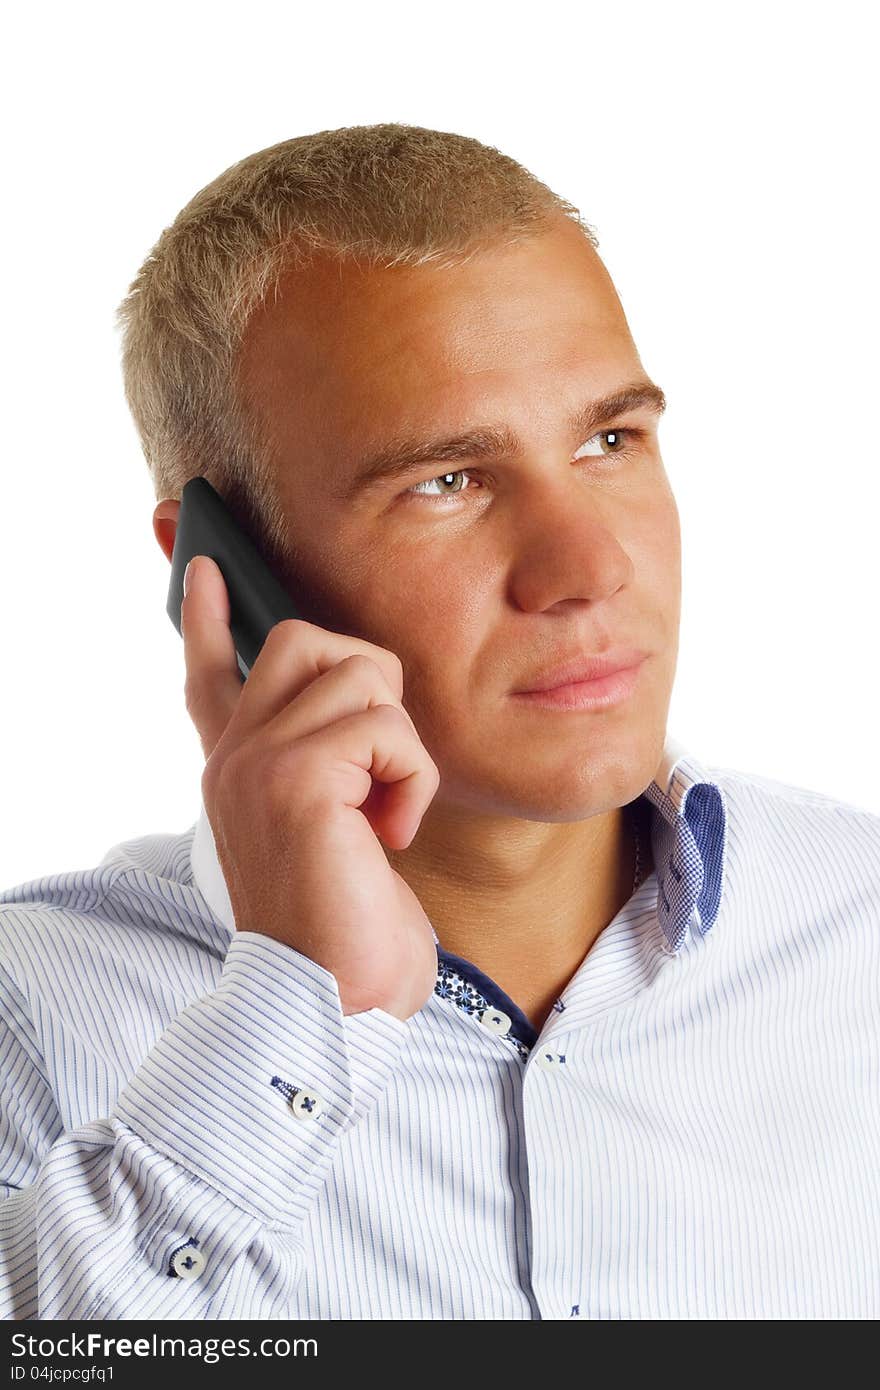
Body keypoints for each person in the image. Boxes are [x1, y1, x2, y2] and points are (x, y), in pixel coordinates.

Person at [1, 124, 878, 1322]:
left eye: (607, 440)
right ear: (223, 572)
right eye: (447, 481)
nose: (586, 567)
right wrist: (300, 999)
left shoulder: (859, 929)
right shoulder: (30, 1013)